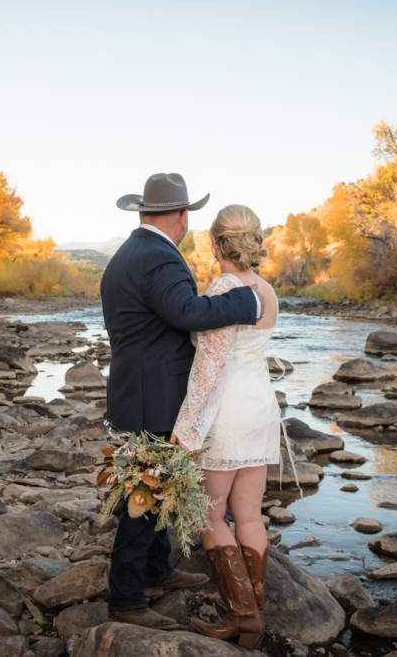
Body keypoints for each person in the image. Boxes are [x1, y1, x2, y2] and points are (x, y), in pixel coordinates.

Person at [100, 173, 265, 631]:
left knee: (155, 487)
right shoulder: (158, 257)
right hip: (152, 394)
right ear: (182, 216)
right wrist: (244, 303)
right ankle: (127, 599)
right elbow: (186, 313)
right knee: (144, 496)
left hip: (136, 388)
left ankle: (156, 571)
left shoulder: (129, 253)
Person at [172, 204, 281, 649]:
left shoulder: (224, 287)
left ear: (215, 244)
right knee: (250, 514)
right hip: (262, 407)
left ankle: (242, 616)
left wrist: (186, 428)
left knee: (209, 515)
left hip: (228, 409)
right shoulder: (267, 290)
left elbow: (211, 365)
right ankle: (253, 612)